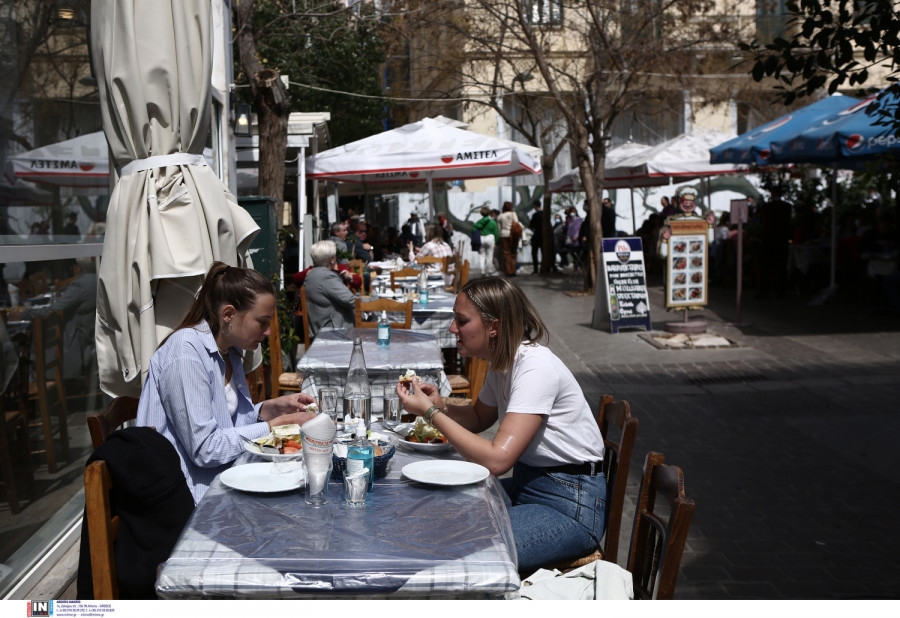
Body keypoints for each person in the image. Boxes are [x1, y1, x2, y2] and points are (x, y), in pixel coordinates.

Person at [395, 277, 606, 571]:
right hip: (528, 485)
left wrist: (430, 413)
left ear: (493, 326)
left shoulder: (535, 367)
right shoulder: (503, 362)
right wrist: (440, 403)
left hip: (569, 505)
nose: (452, 329)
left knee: (459, 547)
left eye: (461, 321)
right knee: (433, 512)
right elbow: (480, 417)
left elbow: (497, 460)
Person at [137, 262, 317, 503]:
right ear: (229, 314)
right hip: (189, 499)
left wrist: (267, 410)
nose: (267, 332)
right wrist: (277, 425)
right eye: (262, 321)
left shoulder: (228, 351)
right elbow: (206, 449)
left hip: (229, 480)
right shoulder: (185, 353)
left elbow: (229, 427)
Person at [303, 240, 358, 336]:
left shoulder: (312, 274)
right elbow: (351, 300)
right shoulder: (326, 277)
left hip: (321, 328)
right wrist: (375, 303)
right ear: (332, 259)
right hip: (334, 332)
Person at [473, 206, 498, 275]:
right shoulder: (492, 222)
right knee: (490, 256)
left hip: (481, 238)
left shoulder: (479, 222)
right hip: (490, 238)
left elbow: (473, 229)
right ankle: (489, 270)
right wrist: (496, 242)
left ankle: (482, 271)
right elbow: (496, 232)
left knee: (482, 256)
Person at [498, 201, 519, 276]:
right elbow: (517, 223)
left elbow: (499, 229)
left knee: (506, 253)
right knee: (513, 252)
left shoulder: (500, 216)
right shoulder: (513, 214)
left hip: (504, 235)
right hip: (513, 235)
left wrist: (499, 237)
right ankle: (513, 271)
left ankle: (508, 271)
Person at [528, 200, 543, 275]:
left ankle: (536, 269)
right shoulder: (545, 214)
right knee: (543, 252)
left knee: (534, 253)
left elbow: (531, 225)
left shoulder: (535, 215)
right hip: (544, 237)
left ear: (535, 205)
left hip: (537, 236)